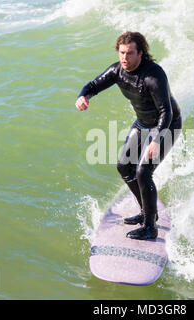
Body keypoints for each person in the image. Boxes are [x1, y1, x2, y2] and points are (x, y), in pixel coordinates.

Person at [75, 31, 182, 240]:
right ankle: (147, 212)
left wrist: (157, 140)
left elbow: (165, 112)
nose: (124, 58)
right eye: (122, 53)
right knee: (124, 166)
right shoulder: (118, 71)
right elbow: (93, 85)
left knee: (143, 171)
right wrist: (83, 96)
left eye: (130, 53)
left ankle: (151, 227)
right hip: (143, 123)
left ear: (141, 53)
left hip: (167, 126)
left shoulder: (154, 75)